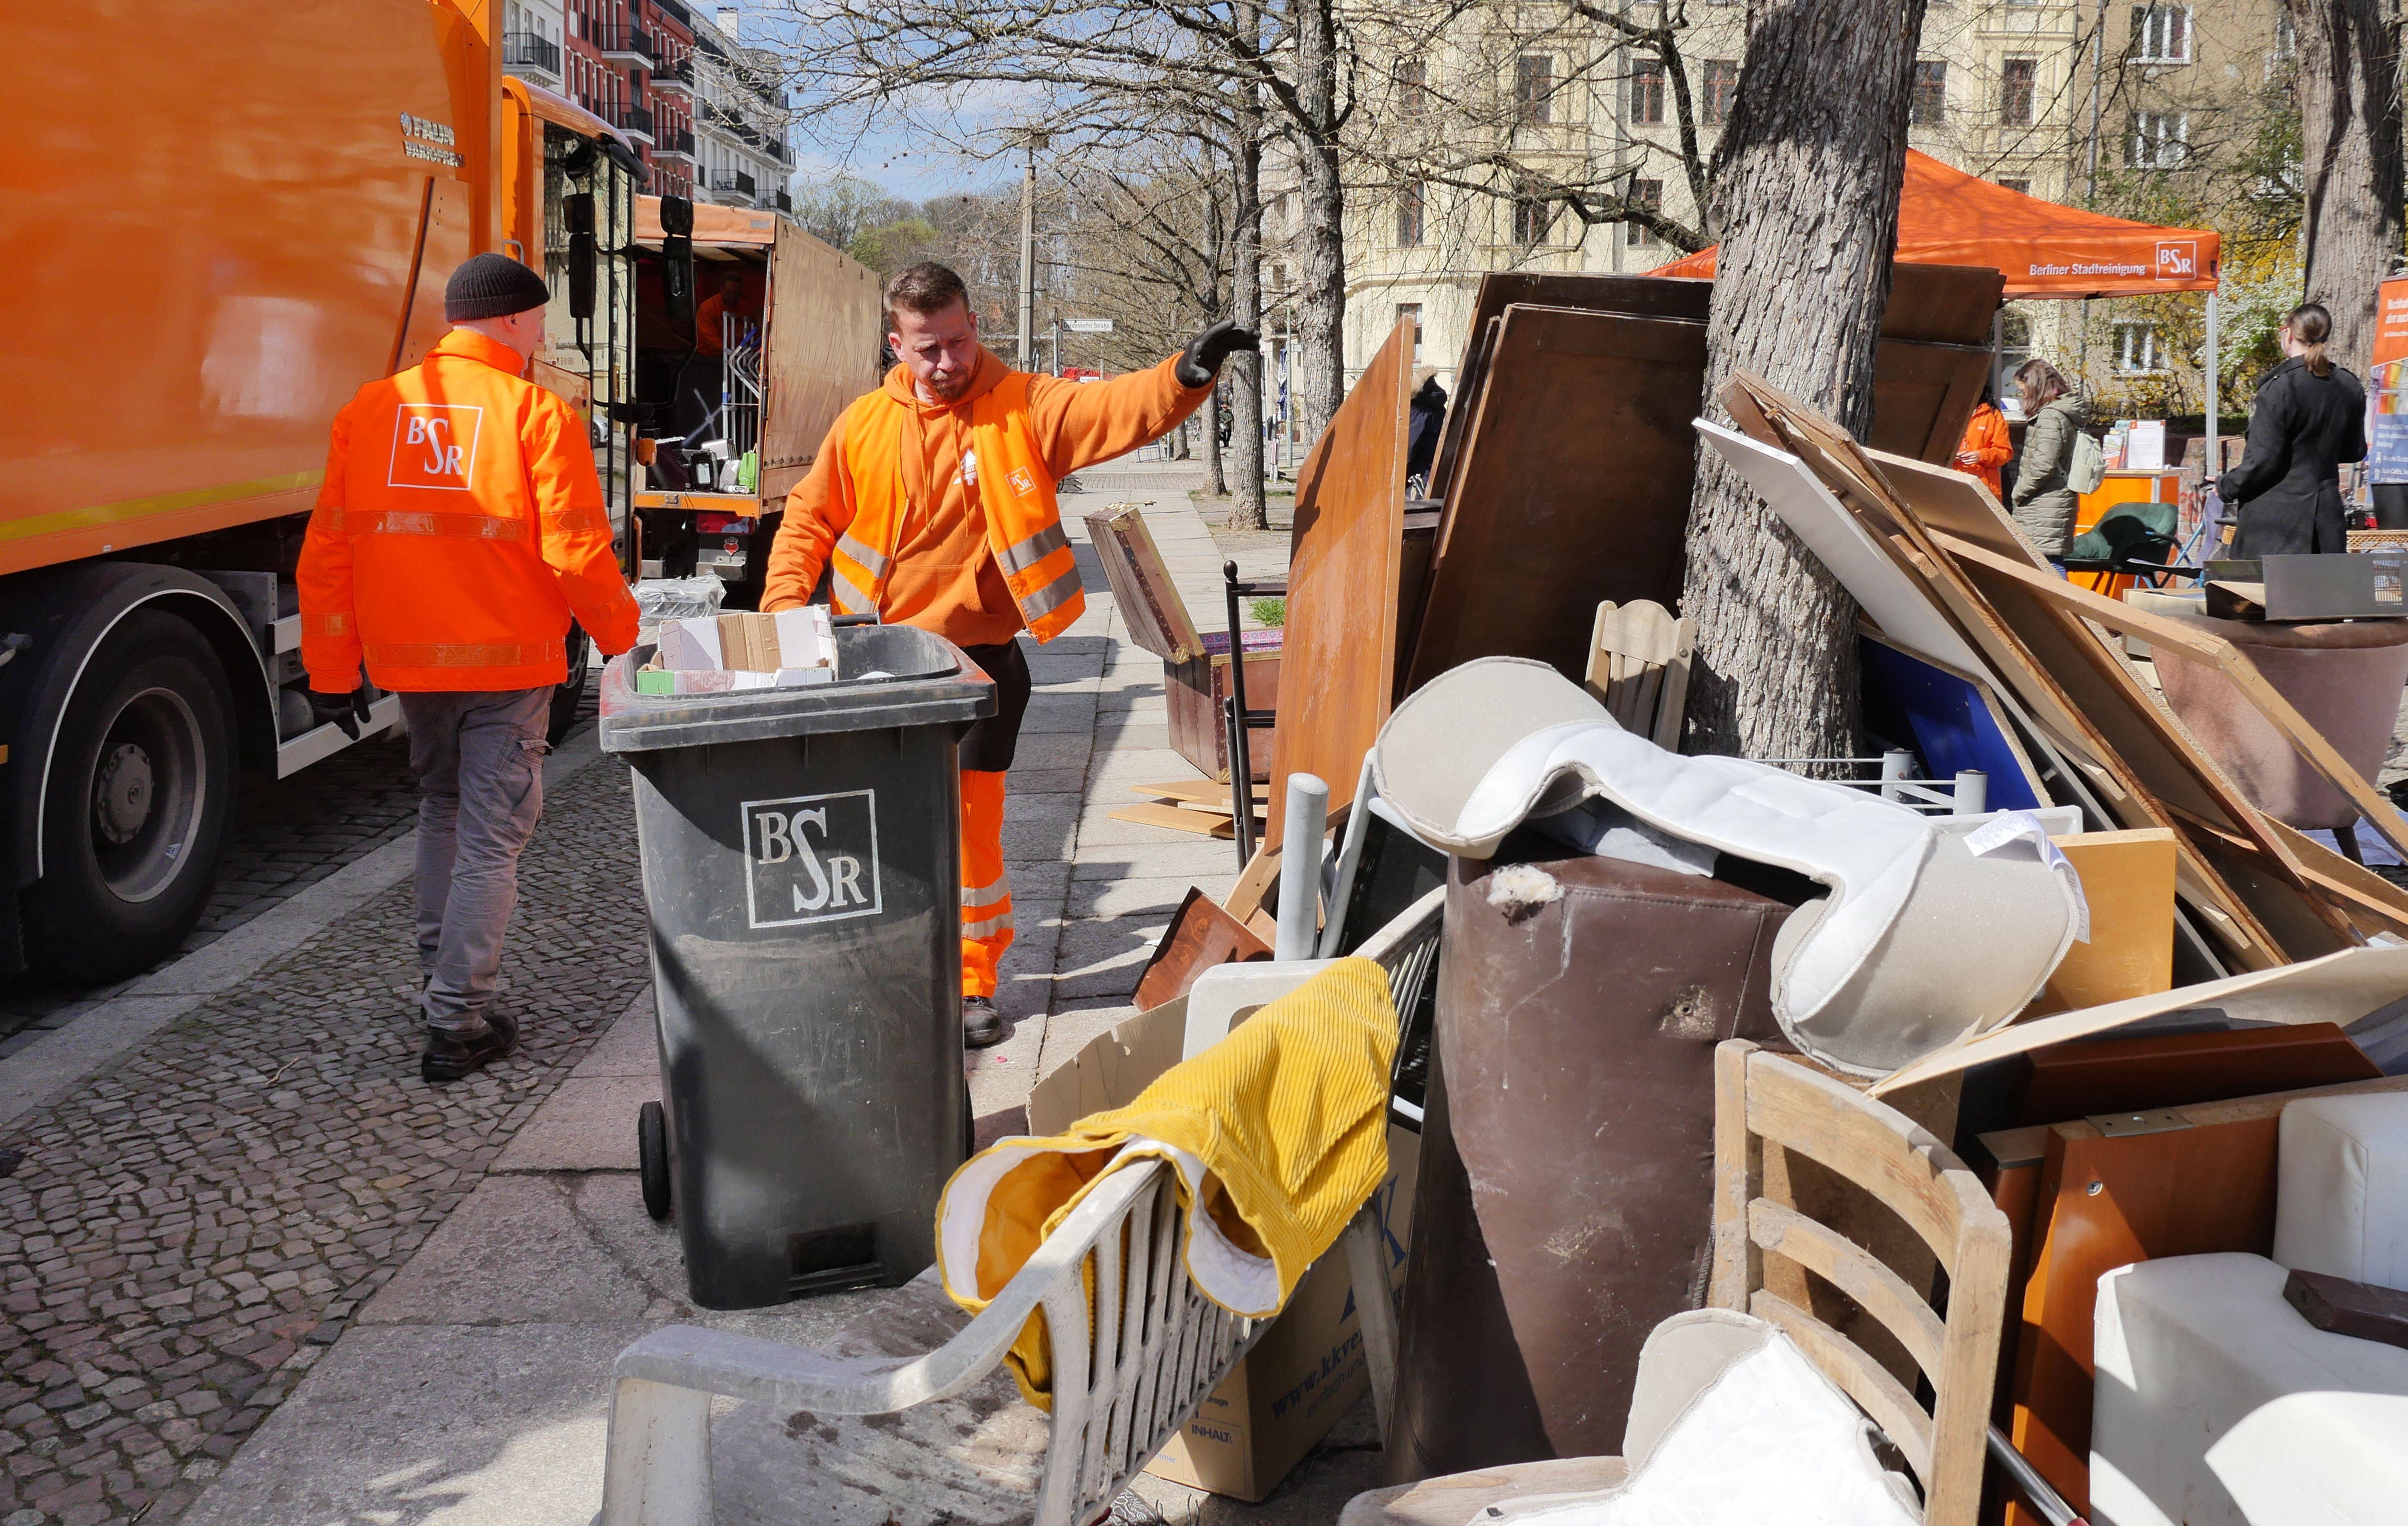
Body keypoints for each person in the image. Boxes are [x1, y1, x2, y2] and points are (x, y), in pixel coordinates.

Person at [760, 262, 1254, 1048]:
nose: (946, 362)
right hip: (876, 662)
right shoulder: (862, 425)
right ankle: (886, 966)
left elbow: (1108, 408)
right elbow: (807, 521)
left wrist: (1182, 376)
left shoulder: (1021, 406)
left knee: (969, 833)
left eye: (957, 341)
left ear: (973, 327)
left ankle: (969, 983)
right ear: (896, 343)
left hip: (979, 666)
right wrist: (785, 613)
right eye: (927, 348)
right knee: (873, 829)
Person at [300, 253, 640, 1084]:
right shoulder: (537, 413)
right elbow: (575, 551)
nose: (541, 336)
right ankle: (457, 1019)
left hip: (412, 666)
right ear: (515, 320)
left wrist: (332, 670)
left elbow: (330, 553)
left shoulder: (369, 410)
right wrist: (623, 641)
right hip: (508, 663)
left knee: (442, 810)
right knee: (493, 837)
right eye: (540, 321)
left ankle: (439, 986)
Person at [2218, 302, 2367, 555]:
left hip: (2274, 526)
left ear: (2288, 334)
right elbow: (2355, 451)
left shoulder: (2280, 388)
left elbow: (2263, 460)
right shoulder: (2349, 385)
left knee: (2264, 584)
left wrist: (2225, 486)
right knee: (2323, 584)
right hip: (2325, 522)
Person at [2009, 358, 2083, 558]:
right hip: (2051, 502)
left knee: (2047, 562)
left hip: (2044, 504)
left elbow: (2044, 465)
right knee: (2046, 561)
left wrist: (2018, 493)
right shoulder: (2060, 413)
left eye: (2024, 391)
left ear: (2036, 387)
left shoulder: (2050, 417)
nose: (2023, 396)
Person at [1952, 378, 2013, 498]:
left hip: (1983, 487)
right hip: (1951, 484)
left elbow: (2005, 453)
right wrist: (1950, 455)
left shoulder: (1993, 416)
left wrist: (1981, 455)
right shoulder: (1946, 413)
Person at [1404, 367, 1448, 492]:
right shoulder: (1438, 406)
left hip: (1419, 477)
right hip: (1437, 473)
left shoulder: (1418, 409)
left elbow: (1408, 449)